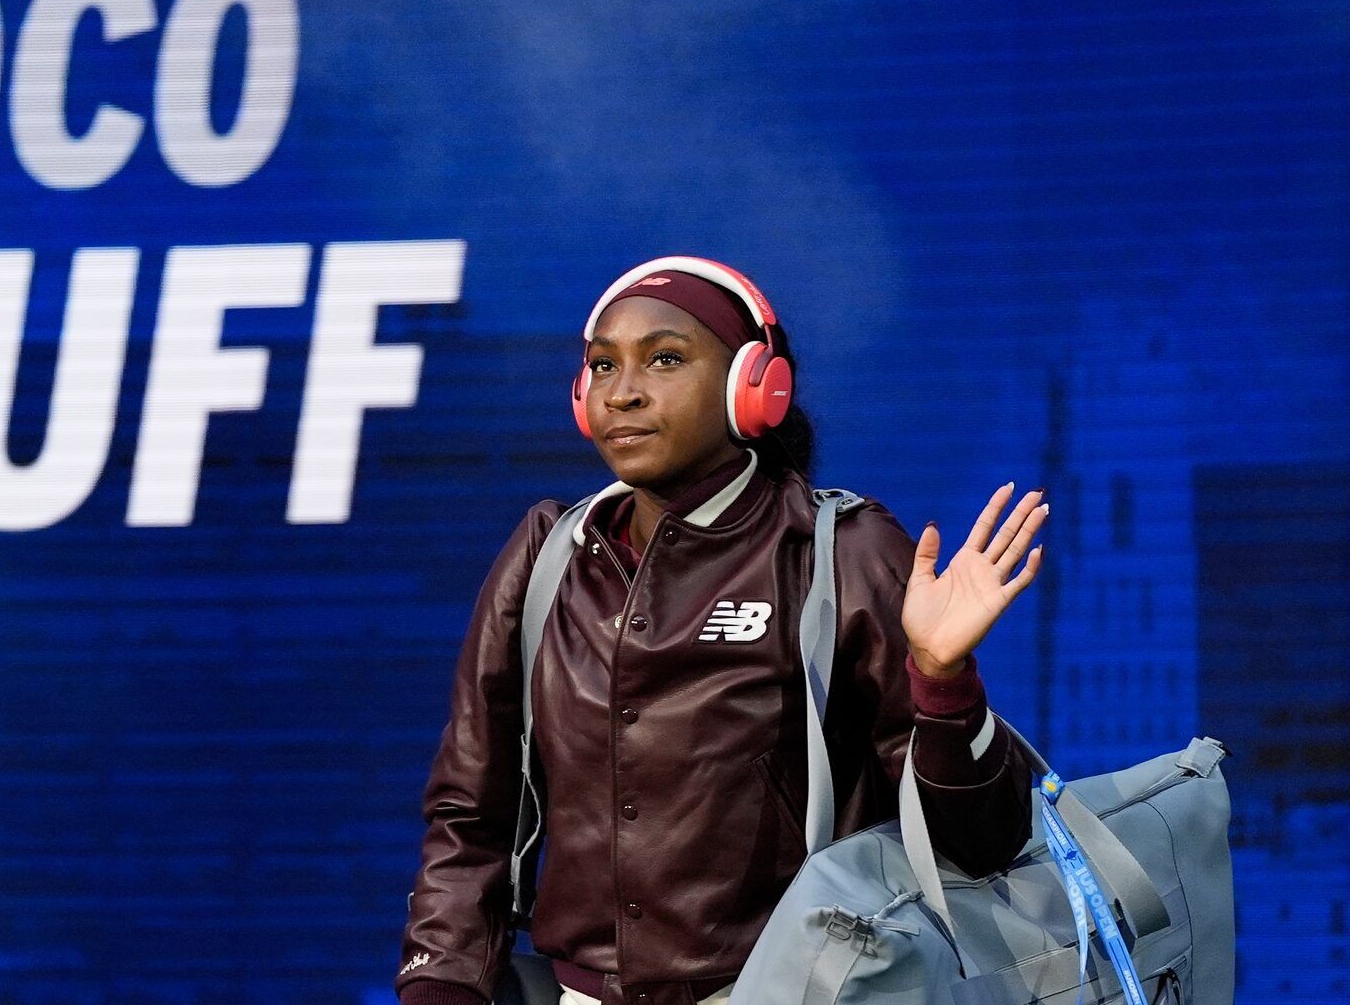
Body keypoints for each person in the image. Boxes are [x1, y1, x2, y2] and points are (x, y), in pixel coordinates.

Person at [394, 258, 1044, 1005]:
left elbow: (981, 845)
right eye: (602, 365)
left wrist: (943, 681)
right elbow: (470, 815)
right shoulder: (547, 556)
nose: (623, 390)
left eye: (664, 358)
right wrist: (441, 984)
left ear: (755, 388)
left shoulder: (841, 552)